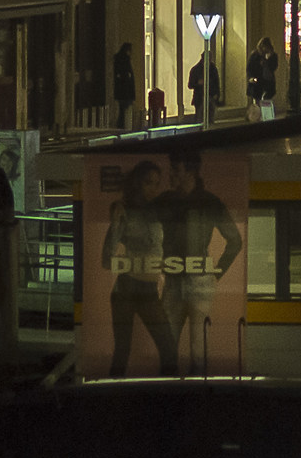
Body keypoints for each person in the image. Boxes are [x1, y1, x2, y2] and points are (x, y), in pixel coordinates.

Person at [153, 150, 243, 374]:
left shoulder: (166, 201)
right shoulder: (209, 202)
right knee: (196, 348)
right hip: (196, 279)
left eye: (176, 170)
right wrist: (216, 273)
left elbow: (235, 241)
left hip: (177, 280)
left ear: (190, 172)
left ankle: (167, 398)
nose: (171, 175)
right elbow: (235, 241)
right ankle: (196, 395)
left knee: (174, 347)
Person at [101, 160, 175, 376]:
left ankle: (168, 401)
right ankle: (114, 398)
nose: (154, 188)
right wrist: (116, 224)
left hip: (148, 289)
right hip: (127, 287)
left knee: (168, 349)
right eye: (148, 183)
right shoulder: (125, 212)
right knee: (122, 350)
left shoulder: (159, 212)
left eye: (157, 183)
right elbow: (106, 259)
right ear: (137, 185)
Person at [112, 42, 137, 129]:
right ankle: (122, 126)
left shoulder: (118, 59)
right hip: (126, 91)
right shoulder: (125, 60)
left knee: (122, 109)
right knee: (124, 110)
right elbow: (128, 76)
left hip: (121, 91)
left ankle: (121, 125)